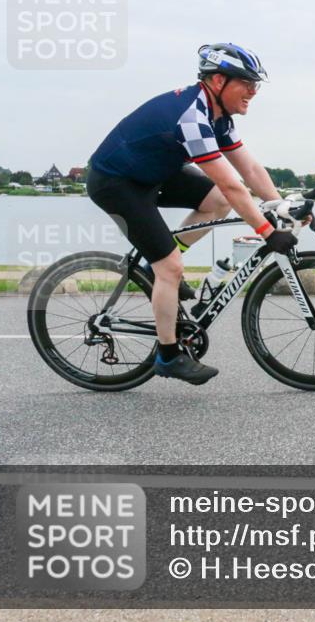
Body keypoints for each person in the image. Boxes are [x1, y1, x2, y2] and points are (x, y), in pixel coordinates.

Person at [87, 43, 302, 385]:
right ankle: (168, 356)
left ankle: (153, 269)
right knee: (170, 266)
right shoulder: (192, 117)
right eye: (246, 83)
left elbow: (249, 169)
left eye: (256, 85)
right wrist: (266, 230)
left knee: (216, 201)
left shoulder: (219, 117)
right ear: (218, 81)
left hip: (152, 174)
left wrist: (280, 206)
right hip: (116, 183)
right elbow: (234, 185)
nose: (253, 91)